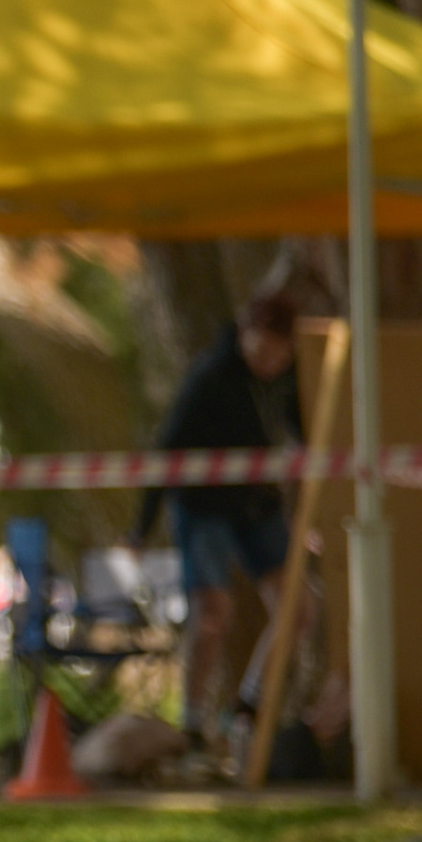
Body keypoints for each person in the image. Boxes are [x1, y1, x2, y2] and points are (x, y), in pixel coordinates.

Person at [148, 289, 300, 746]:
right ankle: (192, 725)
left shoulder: (292, 379)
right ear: (244, 337)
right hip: (205, 508)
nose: (267, 364)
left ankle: (249, 705)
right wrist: (140, 526)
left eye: (276, 356)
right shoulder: (210, 378)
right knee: (213, 614)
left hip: (257, 505)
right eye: (259, 352)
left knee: (298, 606)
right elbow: (166, 450)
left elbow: (306, 431)